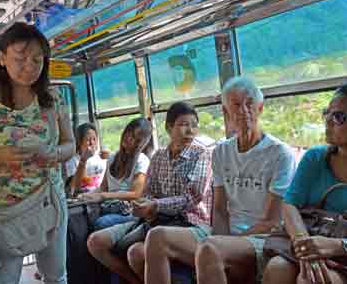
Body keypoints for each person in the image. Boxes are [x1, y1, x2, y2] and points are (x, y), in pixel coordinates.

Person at [144, 76, 296, 284]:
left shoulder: (279, 154)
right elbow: (220, 209)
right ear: (226, 112)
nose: (243, 110)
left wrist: (224, 243)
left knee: (210, 249)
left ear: (260, 108)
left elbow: (271, 222)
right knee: (157, 237)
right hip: (224, 236)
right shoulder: (221, 152)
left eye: (250, 103)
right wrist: (220, 239)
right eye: (236, 105)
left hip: (262, 239)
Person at [0, 22, 75, 284]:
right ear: (2, 58)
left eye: (37, 60)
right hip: (6, 206)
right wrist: (3, 155)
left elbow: (70, 144)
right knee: (5, 279)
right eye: (21, 59)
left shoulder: (54, 97)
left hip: (49, 199)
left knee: (56, 276)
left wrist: (54, 154)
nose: (30, 67)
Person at [88, 102, 213, 284]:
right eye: (184, 124)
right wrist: (145, 206)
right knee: (95, 242)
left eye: (194, 125)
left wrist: (155, 205)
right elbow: (147, 192)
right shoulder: (159, 156)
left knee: (134, 252)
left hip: (189, 222)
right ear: (169, 127)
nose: (190, 130)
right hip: (155, 219)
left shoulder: (201, 154)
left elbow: (192, 198)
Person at [263, 84, 347, 284]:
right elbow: (290, 204)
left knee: (312, 280)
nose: (328, 121)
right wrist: (304, 246)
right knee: (277, 269)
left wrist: (337, 246)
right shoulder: (316, 158)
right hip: (313, 238)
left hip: (340, 250)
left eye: (339, 117)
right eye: (327, 114)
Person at [80, 117, 152, 230]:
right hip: (108, 207)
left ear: (140, 144)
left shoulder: (142, 160)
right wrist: (83, 197)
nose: (128, 138)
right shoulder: (112, 158)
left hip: (128, 212)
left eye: (134, 138)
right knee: (80, 217)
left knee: (101, 223)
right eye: (128, 132)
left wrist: (104, 196)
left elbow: (136, 194)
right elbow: (103, 188)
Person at [65, 123, 107, 196]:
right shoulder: (72, 160)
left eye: (94, 139)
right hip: (83, 197)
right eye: (88, 140)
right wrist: (84, 160)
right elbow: (73, 188)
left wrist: (110, 159)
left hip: (100, 195)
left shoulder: (101, 156)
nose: (92, 143)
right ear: (79, 142)